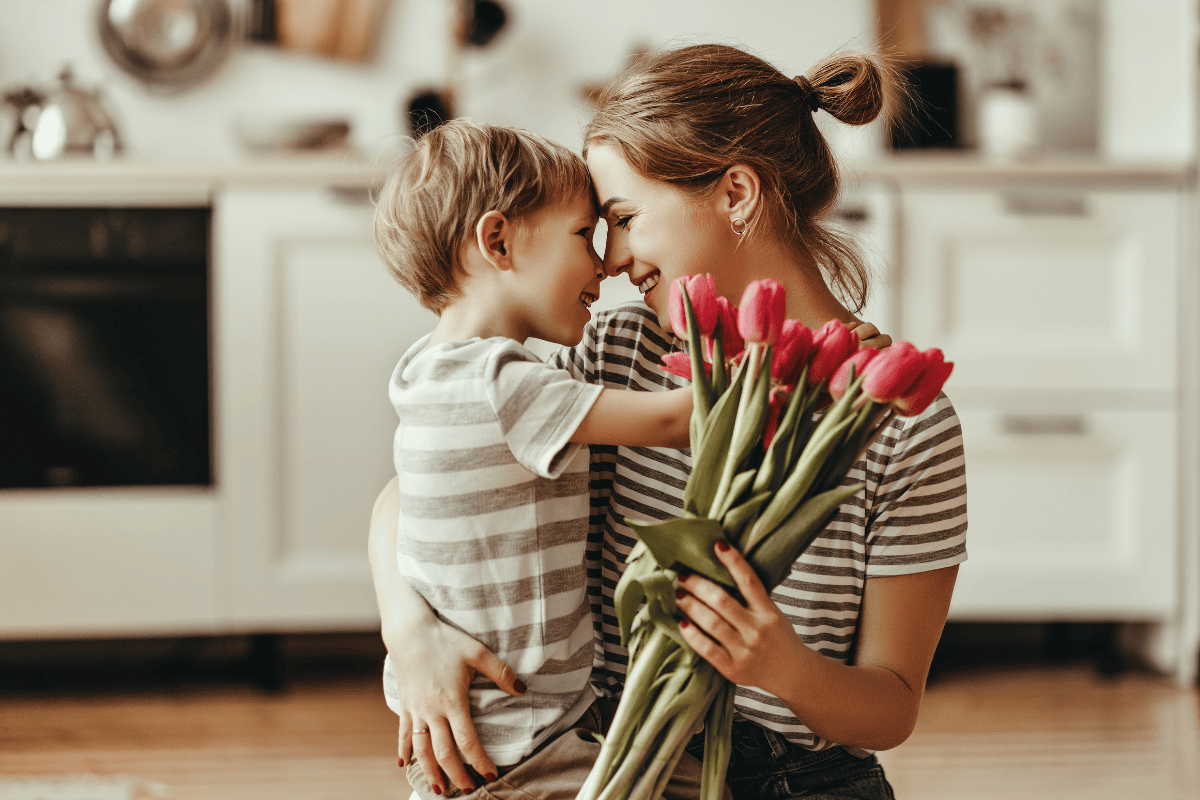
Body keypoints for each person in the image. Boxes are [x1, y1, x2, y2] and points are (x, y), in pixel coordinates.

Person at [371, 44, 967, 800]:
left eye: (622, 218)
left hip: (794, 781)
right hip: (607, 759)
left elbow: (891, 708)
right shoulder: (617, 352)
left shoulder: (900, 422)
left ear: (737, 193)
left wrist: (778, 663)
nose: (612, 259)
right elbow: (420, 485)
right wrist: (410, 630)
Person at [372, 118, 701, 800]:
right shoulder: (504, 385)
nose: (604, 264)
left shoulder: (424, 370)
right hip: (523, 740)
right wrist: (811, 363)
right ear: (497, 241)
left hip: (490, 731)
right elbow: (676, 420)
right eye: (585, 234)